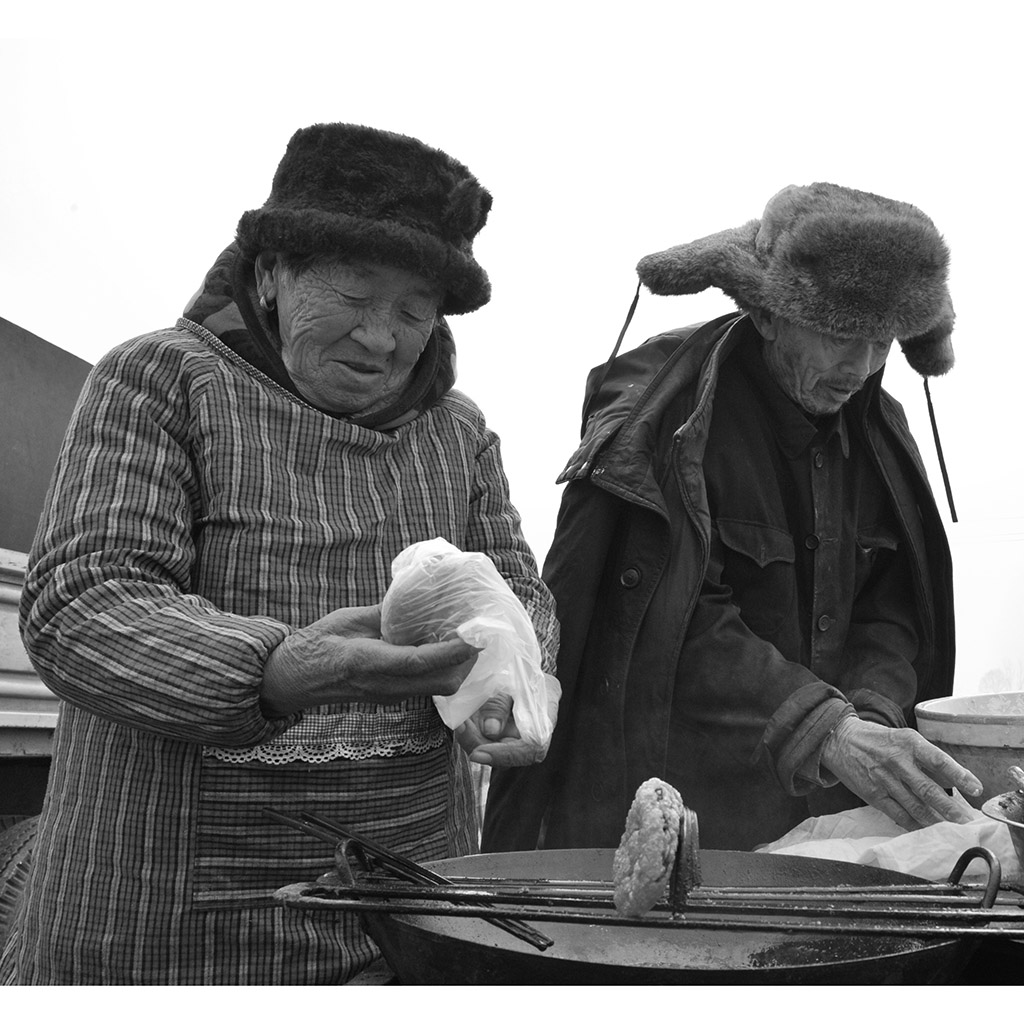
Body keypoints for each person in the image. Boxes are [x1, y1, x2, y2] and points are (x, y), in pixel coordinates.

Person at [2, 123, 558, 985]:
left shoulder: (458, 433)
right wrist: (287, 667)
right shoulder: (164, 381)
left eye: (413, 312)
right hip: (171, 919)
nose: (381, 338)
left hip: (406, 903)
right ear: (271, 275)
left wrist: (513, 678)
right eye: (353, 295)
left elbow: (516, 587)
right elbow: (84, 602)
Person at [483, 182, 980, 855]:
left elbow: (891, 611)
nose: (861, 368)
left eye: (882, 342)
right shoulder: (671, 423)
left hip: (827, 826)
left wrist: (872, 716)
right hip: (667, 809)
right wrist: (825, 728)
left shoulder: (879, 435)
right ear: (769, 314)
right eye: (839, 336)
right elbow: (670, 621)